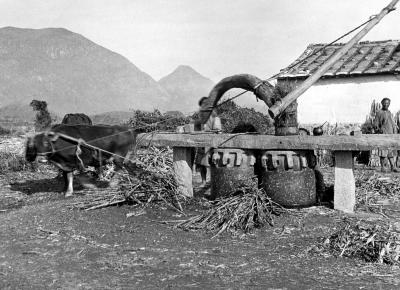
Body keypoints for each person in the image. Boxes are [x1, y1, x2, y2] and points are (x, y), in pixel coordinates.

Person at [194, 97, 222, 186]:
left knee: (213, 163)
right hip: (202, 144)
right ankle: (204, 181)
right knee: (201, 164)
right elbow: (197, 129)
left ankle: (214, 182)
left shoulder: (215, 117)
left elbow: (218, 131)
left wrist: (208, 132)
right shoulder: (201, 118)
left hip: (212, 145)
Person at [373, 97, 398, 172]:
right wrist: (379, 130)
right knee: (383, 152)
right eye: (385, 103)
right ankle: (383, 167)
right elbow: (375, 124)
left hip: (391, 135)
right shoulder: (379, 112)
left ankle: (393, 167)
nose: (386, 104)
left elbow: (392, 124)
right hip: (383, 135)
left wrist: (394, 132)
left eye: (388, 103)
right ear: (382, 103)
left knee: (391, 152)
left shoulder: (389, 112)